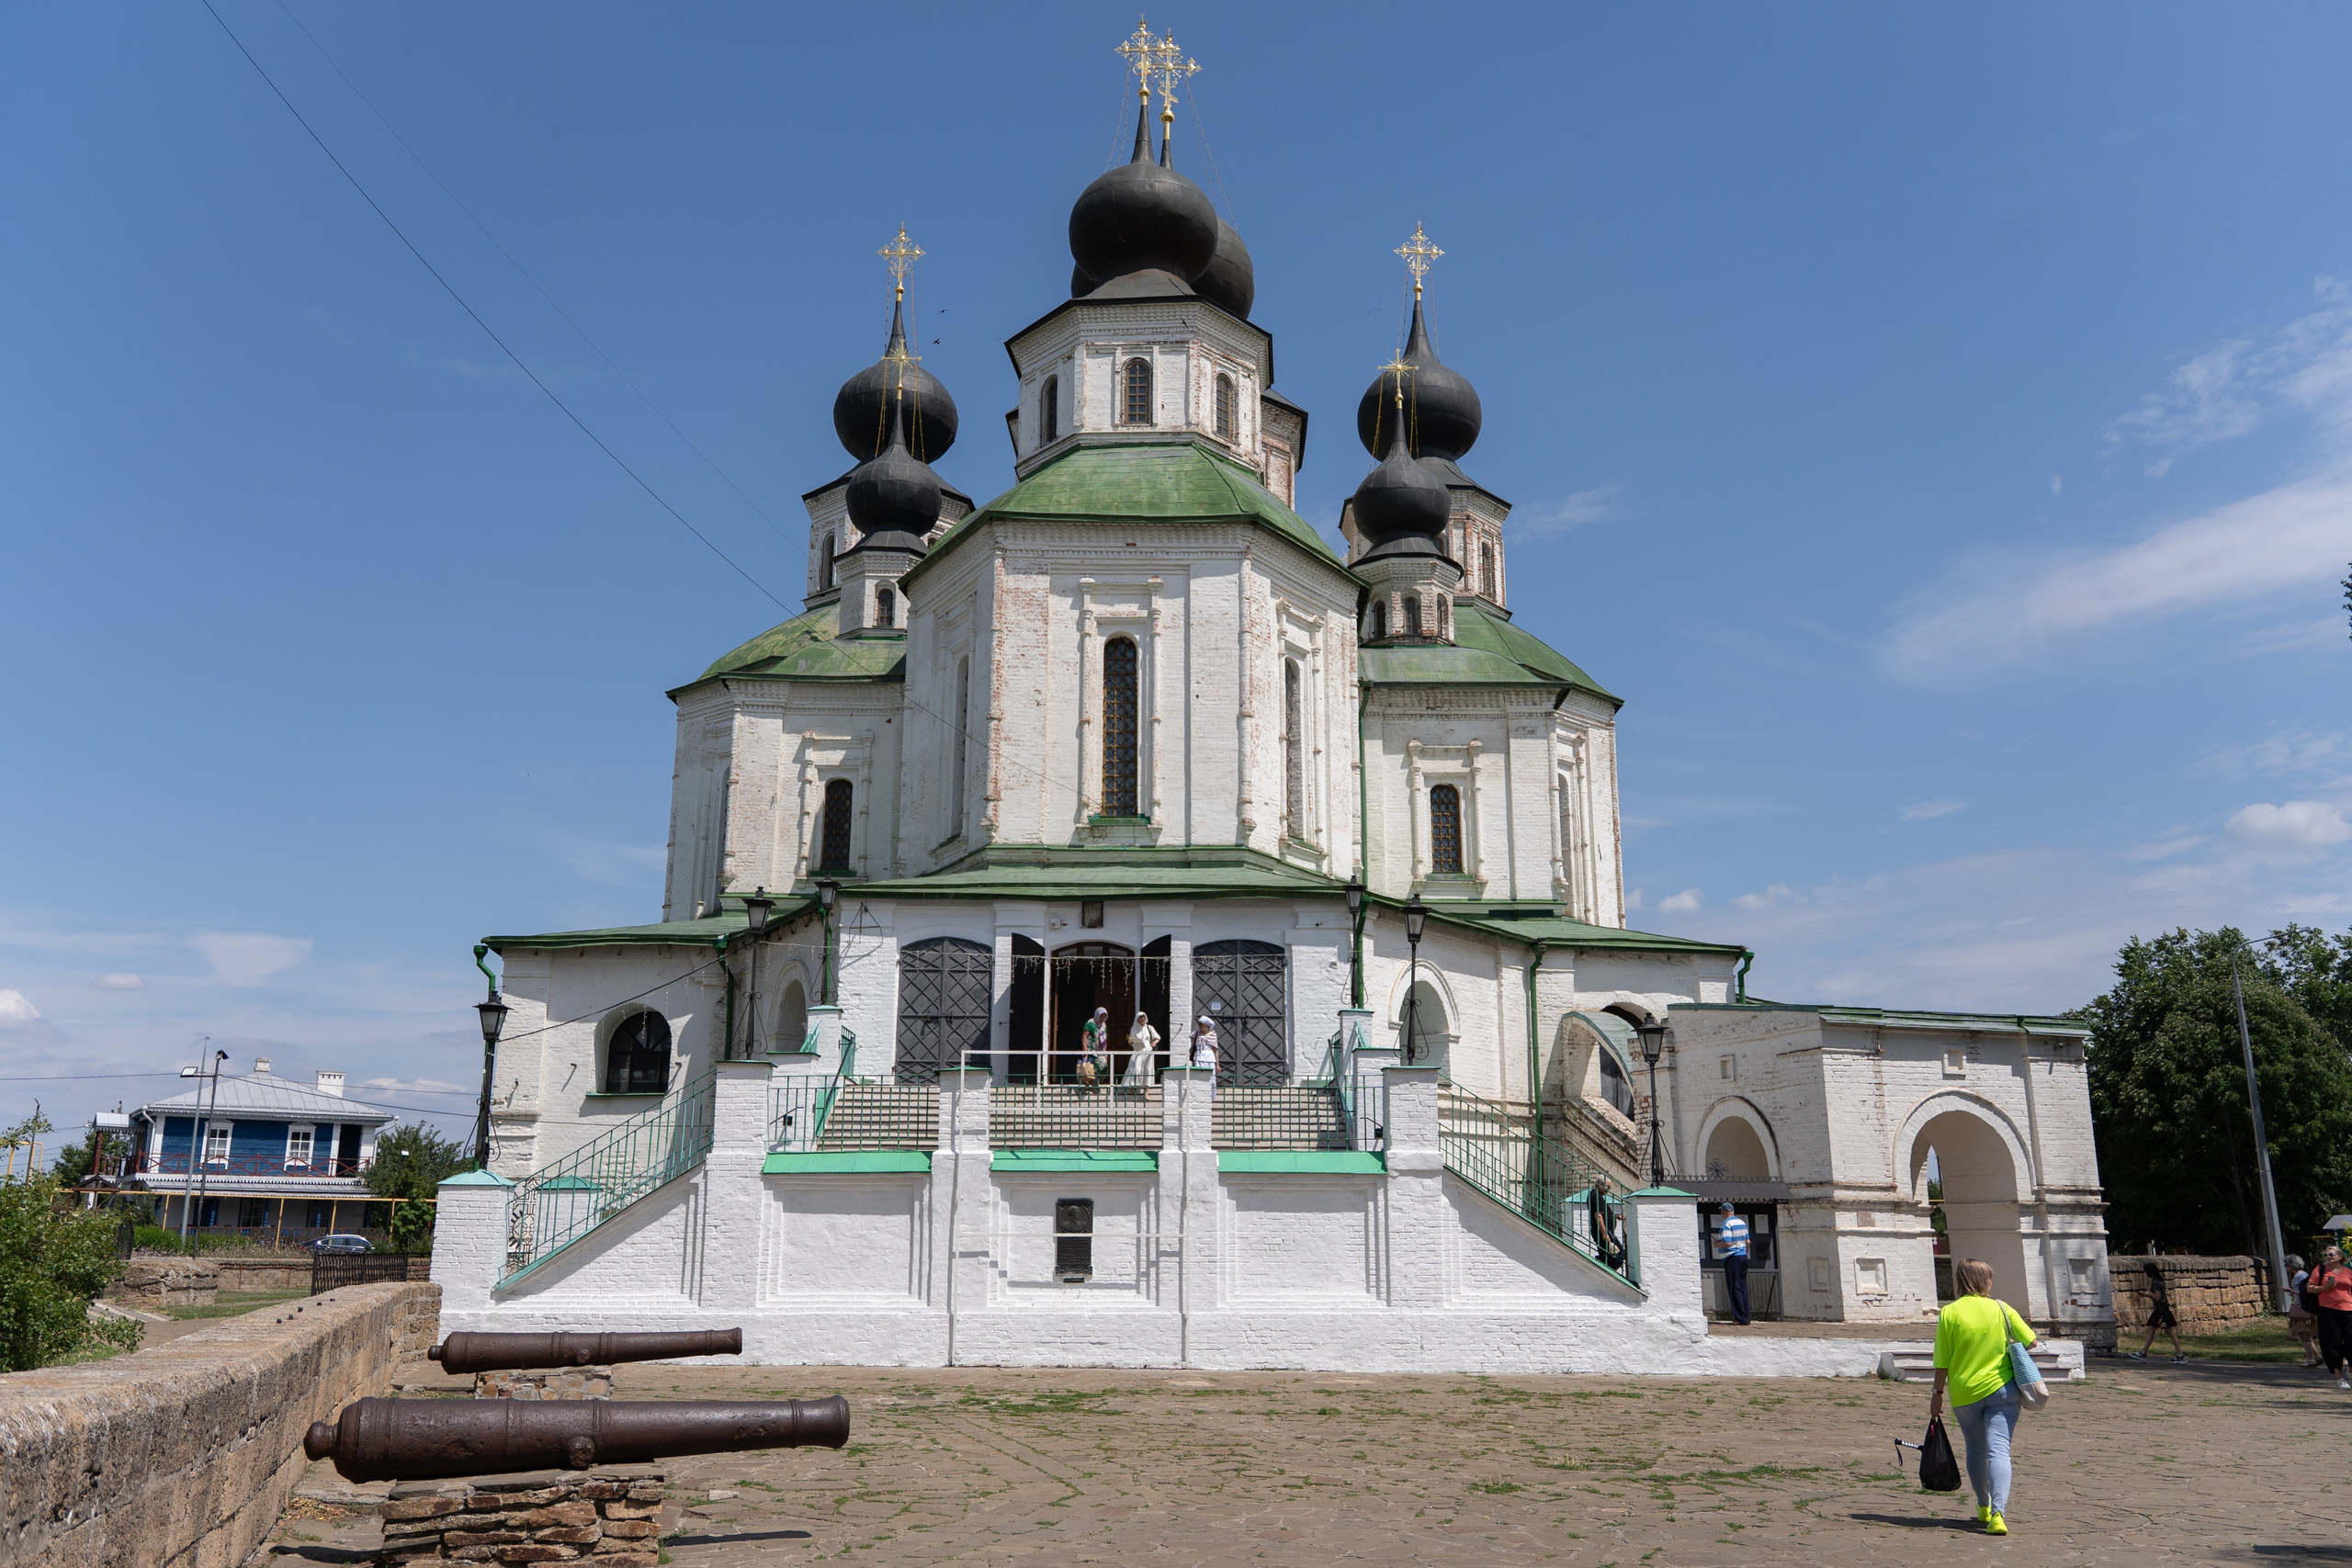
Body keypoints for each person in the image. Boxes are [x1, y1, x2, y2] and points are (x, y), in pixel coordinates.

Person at [1929, 1257, 2036, 1537]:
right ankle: (1998, 1515)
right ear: (1982, 1280)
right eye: (1989, 1277)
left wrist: (1937, 1394)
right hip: (2003, 1391)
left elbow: (1942, 1360)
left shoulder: (1949, 1313)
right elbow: (2032, 1341)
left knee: (1975, 1450)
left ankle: (1982, 1505)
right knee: (1999, 1450)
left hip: (1965, 1393)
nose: (1991, 1282)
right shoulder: (2001, 1308)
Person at [2124, 1260, 2185, 1362]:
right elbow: (2159, 1298)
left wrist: (2148, 1291)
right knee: (2165, 1330)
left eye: (2145, 1271)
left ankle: (2143, 1354)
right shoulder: (2157, 1282)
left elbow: (2158, 1297)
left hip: (2161, 1312)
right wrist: (2146, 1295)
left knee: (2156, 1329)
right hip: (2162, 1311)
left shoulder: (2156, 1283)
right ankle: (2180, 1355)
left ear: (2149, 1272)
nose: (2144, 1273)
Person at [2312, 1246, 2352, 1391]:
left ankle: (2350, 1370)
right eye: (2326, 1254)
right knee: (2332, 1343)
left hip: (2348, 1310)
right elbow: (2310, 1288)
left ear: (2340, 1256)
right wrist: (2325, 1288)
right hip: (2328, 1311)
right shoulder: (2320, 1269)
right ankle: (2339, 1377)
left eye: (2331, 1254)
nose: (2328, 1256)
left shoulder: (2348, 1272)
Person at [1714, 1201, 1752, 1325]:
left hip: (1732, 1257)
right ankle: (1746, 1316)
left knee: (1734, 1287)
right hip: (1743, 1257)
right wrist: (1745, 1254)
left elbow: (1727, 1243)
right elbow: (1748, 1241)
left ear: (1723, 1212)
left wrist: (1716, 1244)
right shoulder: (1741, 1222)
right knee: (1743, 1287)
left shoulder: (1727, 1224)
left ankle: (1739, 1317)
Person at [2287, 1254, 2322, 1369]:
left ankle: (2311, 1359)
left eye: (2287, 1264)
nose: (2286, 1267)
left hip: (2302, 1308)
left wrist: (2289, 1290)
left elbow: (2305, 1293)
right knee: (2304, 1334)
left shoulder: (2299, 1276)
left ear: (2292, 1265)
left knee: (2304, 1334)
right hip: (2302, 1307)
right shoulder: (2303, 1275)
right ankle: (2316, 1356)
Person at [1123, 1011, 1159, 1089]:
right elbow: (1131, 1042)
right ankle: (1134, 1087)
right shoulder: (1134, 1029)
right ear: (1137, 1021)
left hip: (1148, 1051)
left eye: (1143, 1021)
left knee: (1147, 1069)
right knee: (1136, 1068)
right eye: (1140, 1021)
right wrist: (1131, 1042)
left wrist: (1153, 1043)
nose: (1142, 1023)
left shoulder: (1149, 1028)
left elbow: (1157, 1038)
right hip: (1138, 1050)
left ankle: (1146, 1091)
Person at [1076, 1007, 1109, 1089]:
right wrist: (1085, 1050)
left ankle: (1095, 1083)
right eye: (1101, 1016)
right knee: (1094, 1066)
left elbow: (1104, 1039)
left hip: (1100, 1050)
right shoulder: (1090, 1023)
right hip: (1091, 1048)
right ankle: (1090, 1084)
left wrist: (1105, 1051)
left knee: (1104, 1066)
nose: (1102, 1018)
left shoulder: (1104, 1025)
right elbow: (1084, 1037)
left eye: (1104, 1016)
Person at [1189, 1014, 1219, 1098]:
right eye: (1199, 1024)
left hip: (1209, 1058)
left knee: (1211, 1078)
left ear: (1206, 1025)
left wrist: (1217, 1064)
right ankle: (1198, 1095)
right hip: (1198, 1057)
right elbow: (1192, 1047)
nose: (1200, 1026)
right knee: (1198, 1076)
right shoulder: (1196, 1033)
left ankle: (1210, 1096)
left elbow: (1215, 1049)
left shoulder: (1213, 1034)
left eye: (1201, 1024)